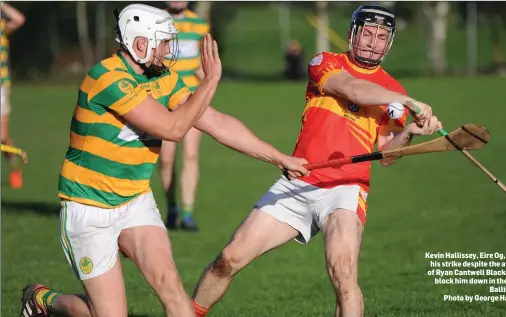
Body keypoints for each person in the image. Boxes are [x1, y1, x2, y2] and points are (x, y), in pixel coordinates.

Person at [19, 4, 307, 317]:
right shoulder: (108, 79)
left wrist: (279, 158)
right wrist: (210, 81)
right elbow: (173, 128)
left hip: (134, 202)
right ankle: (44, 300)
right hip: (88, 209)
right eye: (165, 43)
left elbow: (215, 121)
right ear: (140, 44)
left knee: (174, 292)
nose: (171, 50)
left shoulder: (162, 78)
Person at [190, 5, 443, 317]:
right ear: (353, 33)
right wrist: (403, 100)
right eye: (367, 32)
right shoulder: (325, 62)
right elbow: (352, 88)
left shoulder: (395, 93)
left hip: (347, 190)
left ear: (388, 42)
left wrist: (411, 131)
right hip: (299, 179)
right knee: (229, 258)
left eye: (381, 36)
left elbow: (387, 154)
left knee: (343, 272)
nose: (372, 42)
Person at [161, 1, 210, 231]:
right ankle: (171, 209)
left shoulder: (199, 25)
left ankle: (188, 215)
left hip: (191, 100)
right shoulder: (155, 21)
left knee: (190, 155)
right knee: (166, 159)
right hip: (163, 100)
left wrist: (207, 90)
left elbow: (202, 65)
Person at [0, 2, 25, 189]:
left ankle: (14, 167)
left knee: (2, 137)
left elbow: (19, 19)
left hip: (1, 85)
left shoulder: (2, 28)